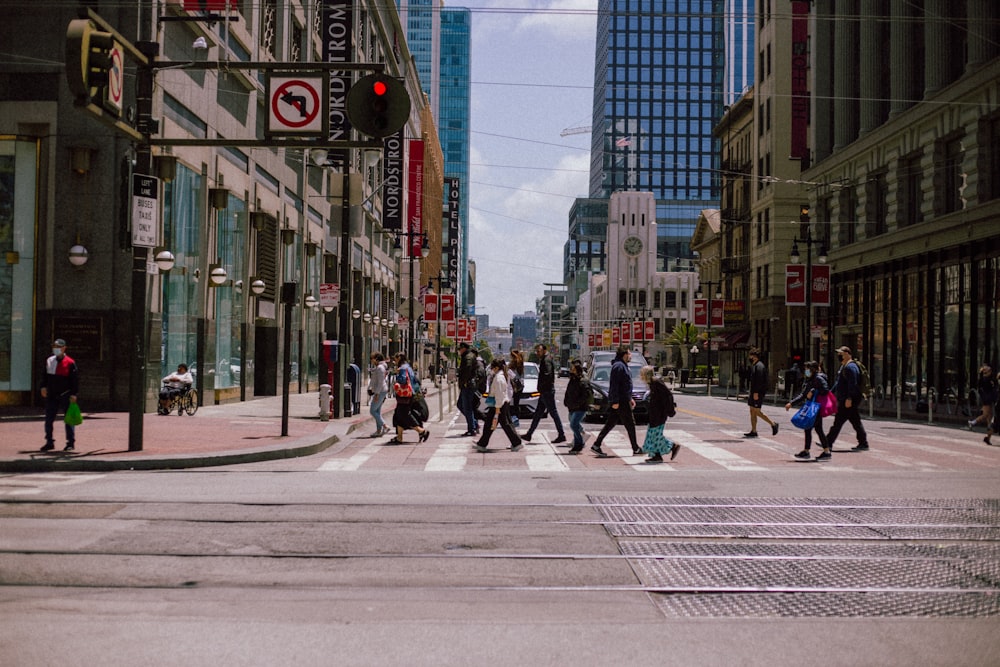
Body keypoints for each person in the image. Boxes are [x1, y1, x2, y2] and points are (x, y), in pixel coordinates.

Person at [590, 346, 640, 458]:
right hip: (621, 401)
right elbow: (614, 385)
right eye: (629, 353)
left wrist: (630, 398)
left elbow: (624, 385)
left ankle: (596, 444)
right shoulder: (619, 366)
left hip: (623, 399)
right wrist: (615, 401)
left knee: (610, 424)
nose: (630, 356)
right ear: (624, 354)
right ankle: (635, 448)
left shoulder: (621, 366)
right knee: (630, 424)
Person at [784, 360, 832, 460]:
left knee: (815, 429)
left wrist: (813, 391)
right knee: (810, 429)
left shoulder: (818, 378)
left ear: (813, 370)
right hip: (812, 408)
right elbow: (803, 395)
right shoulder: (809, 379)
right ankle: (810, 451)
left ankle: (824, 452)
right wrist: (791, 403)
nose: (806, 371)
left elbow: (826, 390)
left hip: (816, 408)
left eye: (807, 369)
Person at [825, 346, 870, 452]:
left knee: (838, 421)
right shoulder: (843, 366)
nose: (839, 355)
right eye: (839, 354)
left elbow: (852, 384)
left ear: (848, 354)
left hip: (849, 399)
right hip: (845, 399)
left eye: (841, 353)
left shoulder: (851, 367)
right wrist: (830, 393)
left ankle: (828, 442)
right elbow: (838, 383)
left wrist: (849, 398)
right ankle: (863, 443)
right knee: (855, 421)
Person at [474, 358, 523, 452]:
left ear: (496, 368)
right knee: (494, 424)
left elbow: (500, 394)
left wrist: (497, 409)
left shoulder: (499, 378)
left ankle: (516, 442)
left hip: (498, 404)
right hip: (499, 404)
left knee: (500, 424)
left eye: (492, 367)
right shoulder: (500, 376)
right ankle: (482, 443)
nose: (491, 369)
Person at [522, 343, 567, 443]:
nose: (537, 353)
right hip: (544, 391)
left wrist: (541, 387)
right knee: (538, 414)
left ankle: (561, 435)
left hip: (547, 391)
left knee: (553, 413)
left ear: (544, 350)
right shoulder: (544, 359)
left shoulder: (546, 360)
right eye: (537, 351)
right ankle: (529, 434)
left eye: (539, 351)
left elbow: (547, 374)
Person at [40, 338, 79, 452]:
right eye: (54, 347)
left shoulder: (70, 362)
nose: (56, 349)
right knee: (49, 419)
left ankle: (70, 443)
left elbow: (74, 380)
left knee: (69, 420)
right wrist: (43, 386)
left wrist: (74, 394)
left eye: (58, 347)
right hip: (52, 394)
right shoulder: (50, 360)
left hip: (65, 394)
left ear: (64, 348)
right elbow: (45, 376)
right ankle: (49, 441)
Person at [640, 365, 680, 463]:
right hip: (654, 414)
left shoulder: (656, 382)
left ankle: (670, 447)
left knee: (655, 435)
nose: (641, 376)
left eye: (642, 374)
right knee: (652, 435)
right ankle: (657, 455)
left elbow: (668, 395)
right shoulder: (652, 383)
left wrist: (669, 410)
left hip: (659, 414)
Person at [388, 353, 430, 444]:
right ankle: (399, 437)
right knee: (398, 415)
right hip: (411, 393)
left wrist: (397, 374)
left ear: (399, 358)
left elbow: (403, 380)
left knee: (404, 414)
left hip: (406, 395)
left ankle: (421, 431)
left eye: (395, 359)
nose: (394, 361)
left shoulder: (402, 368)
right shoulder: (408, 366)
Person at [745, 348, 779, 438]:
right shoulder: (755, 365)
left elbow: (759, 381)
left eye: (751, 356)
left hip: (757, 393)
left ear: (754, 356)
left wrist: (756, 392)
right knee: (752, 411)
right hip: (753, 392)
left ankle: (773, 424)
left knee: (757, 411)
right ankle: (754, 430)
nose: (749, 357)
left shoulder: (759, 366)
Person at [564, 359, 592, 453]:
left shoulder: (583, 380)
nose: (570, 369)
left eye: (572, 368)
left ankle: (579, 444)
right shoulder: (573, 378)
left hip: (580, 407)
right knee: (573, 424)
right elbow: (568, 391)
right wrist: (566, 400)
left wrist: (578, 403)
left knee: (574, 425)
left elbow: (586, 395)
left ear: (577, 369)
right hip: (572, 406)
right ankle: (579, 441)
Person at [969, 363, 998, 446]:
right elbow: (988, 390)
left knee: (989, 419)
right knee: (986, 415)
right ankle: (973, 422)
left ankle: (988, 438)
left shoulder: (988, 379)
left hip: (989, 400)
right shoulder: (985, 380)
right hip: (987, 400)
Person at [456, 342, 479, 437]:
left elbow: (467, 369)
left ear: (463, 348)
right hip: (467, 385)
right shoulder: (467, 356)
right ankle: (473, 424)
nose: (459, 351)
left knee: (467, 407)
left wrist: (464, 381)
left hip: (468, 385)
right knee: (460, 405)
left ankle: (471, 429)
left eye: (460, 349)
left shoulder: (468, 357)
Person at [368, 353, 390, 437]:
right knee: (377, 411)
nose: (372, 361)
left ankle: (385, 426)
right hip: (380, 391)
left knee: (372, 411)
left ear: (376, 359)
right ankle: (378, 430)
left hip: (380, 391)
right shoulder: (379, 367)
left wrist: (377, 393)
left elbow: (380, 382)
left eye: (372, 359)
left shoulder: (380, 368)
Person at [508, 348, 525, 427]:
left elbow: (512, 374)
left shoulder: (514, 362)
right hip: (520, 384)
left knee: (510, 402)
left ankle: (513, 419)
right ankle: (516, 419)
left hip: (515, 384)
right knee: (516, 403)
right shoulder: (521, 362)